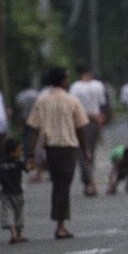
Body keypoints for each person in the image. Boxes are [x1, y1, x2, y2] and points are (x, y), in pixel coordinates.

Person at [27, 67, 91, 240]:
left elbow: (33, 128)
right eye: (67, 78)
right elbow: (81, 128)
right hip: (68, 148)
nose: (69, 81)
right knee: (63, 186)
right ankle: (60, 225)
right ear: (62, 80)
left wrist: (31, 153)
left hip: (51, 148)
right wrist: (86, 150)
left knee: (59, 185)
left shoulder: (41, 101)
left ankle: (60, 222)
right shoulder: (72, 100)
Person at [69, 66, 106, 196]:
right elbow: (102, 104)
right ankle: (89, 183)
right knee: (91, 153)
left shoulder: (75, 87)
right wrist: (100, 118)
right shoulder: (98, 85)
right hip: (95, 122)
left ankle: (89, 183)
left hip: (80, 122)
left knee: (83, 153)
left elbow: (72, 107)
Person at [0, 138, 28, 244]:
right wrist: (32, 162)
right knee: (19, 214)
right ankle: (17, 234)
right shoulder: (18, 163)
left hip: (5, 193)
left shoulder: (1, 163)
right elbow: (28, 169)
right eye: (20, 150)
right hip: (18, 193)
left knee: (7, 212)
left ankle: (13, 233)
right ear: (12, 152)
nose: (21, 153)